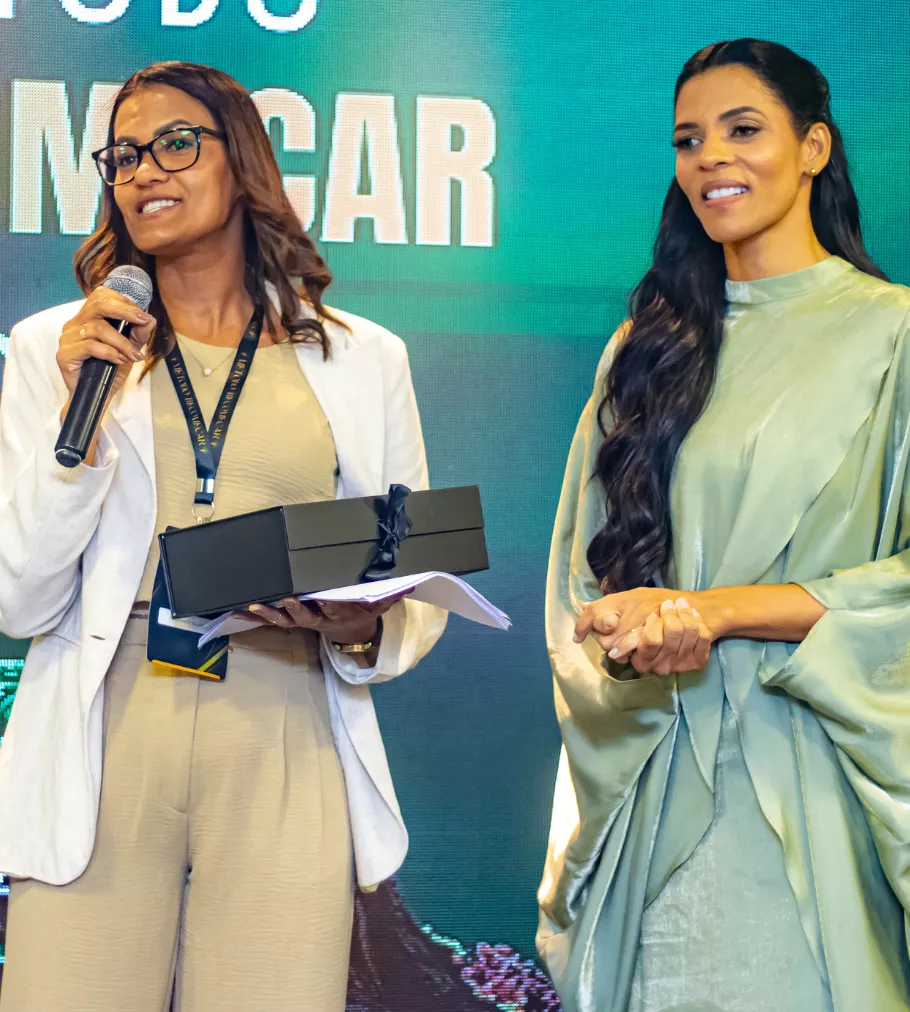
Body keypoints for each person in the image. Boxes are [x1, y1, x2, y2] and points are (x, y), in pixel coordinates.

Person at [0, 61, 446, 1012]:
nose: (144, 172)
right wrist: (79, 430)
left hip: (285, 718)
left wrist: (358, 626)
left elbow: (411, 567)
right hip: (105, 720)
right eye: (123, 156)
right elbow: (21, 597)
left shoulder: (364, 358)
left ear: (241, 161)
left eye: (174, 144)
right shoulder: (59, 349)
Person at [538, 38, 910, 1012]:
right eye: (688, 140)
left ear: (814, 148)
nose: (711, 158)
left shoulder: (895, 332)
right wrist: (630, 634)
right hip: (658, 781)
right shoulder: (644, 349)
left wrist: (719, 610)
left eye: (742, 130)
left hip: (821, 787)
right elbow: (584, 583)